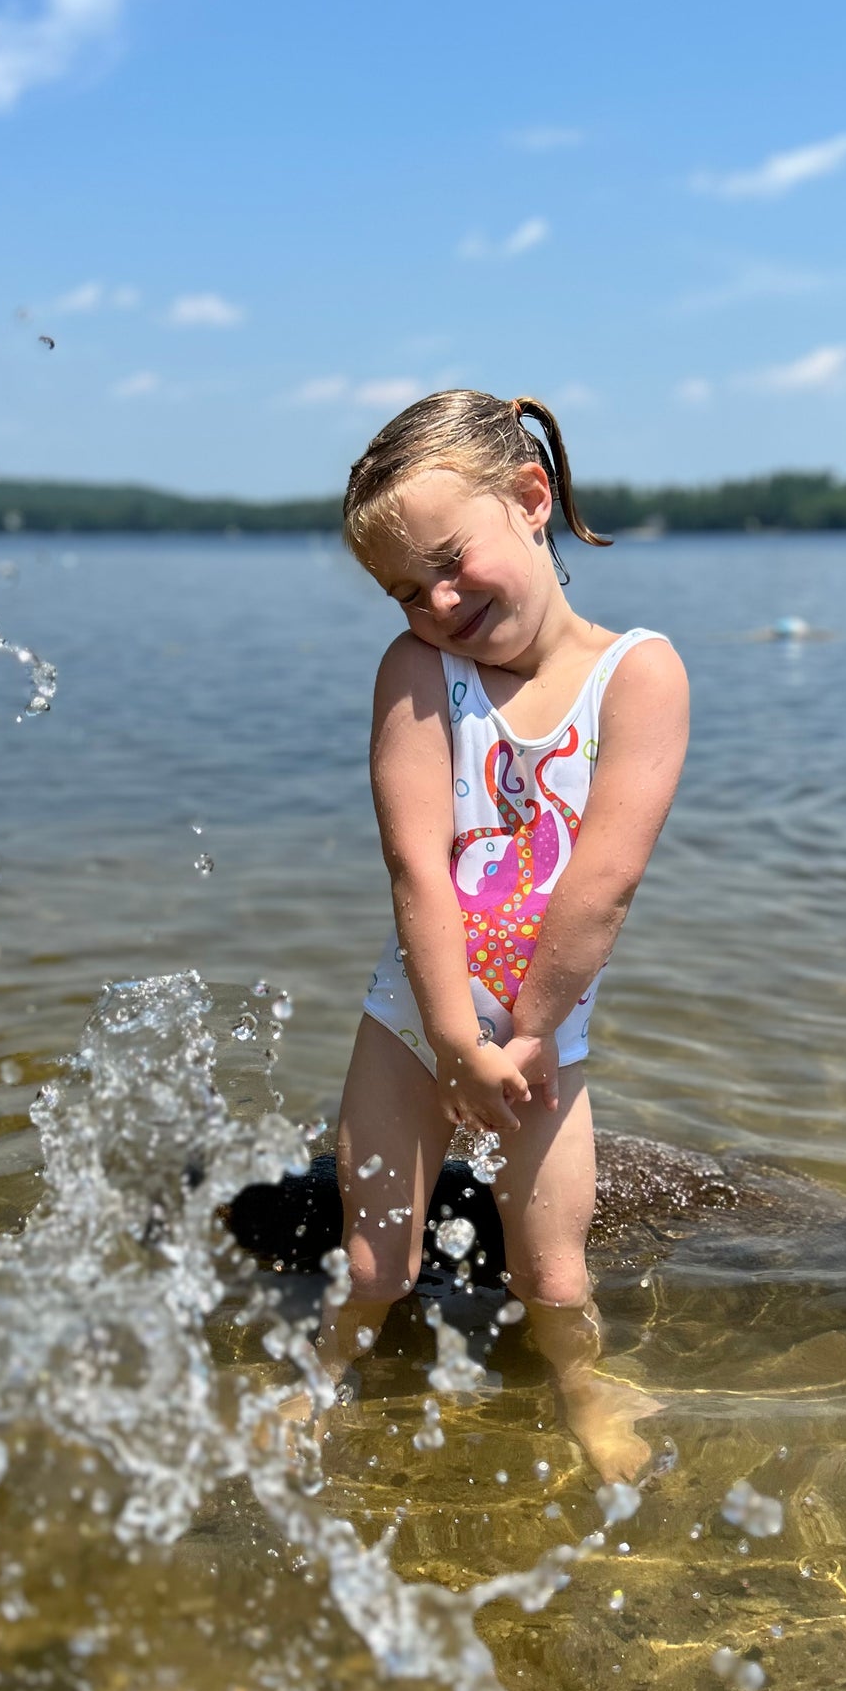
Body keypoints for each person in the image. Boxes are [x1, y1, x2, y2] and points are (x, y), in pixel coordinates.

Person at [314, 390, 688, 1481]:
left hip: (545, 1031)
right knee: (376, 1259)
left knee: (554, 1274)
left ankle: (582, 1388)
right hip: (412, 1013)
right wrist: (449, 1042)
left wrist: (519, 1041)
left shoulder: (639, 675)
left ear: (530, 500)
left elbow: (601, 887)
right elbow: (416, 871)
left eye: (446, 560)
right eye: (401, 589)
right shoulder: (417, 672)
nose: (432, 601)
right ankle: (320, 1381)